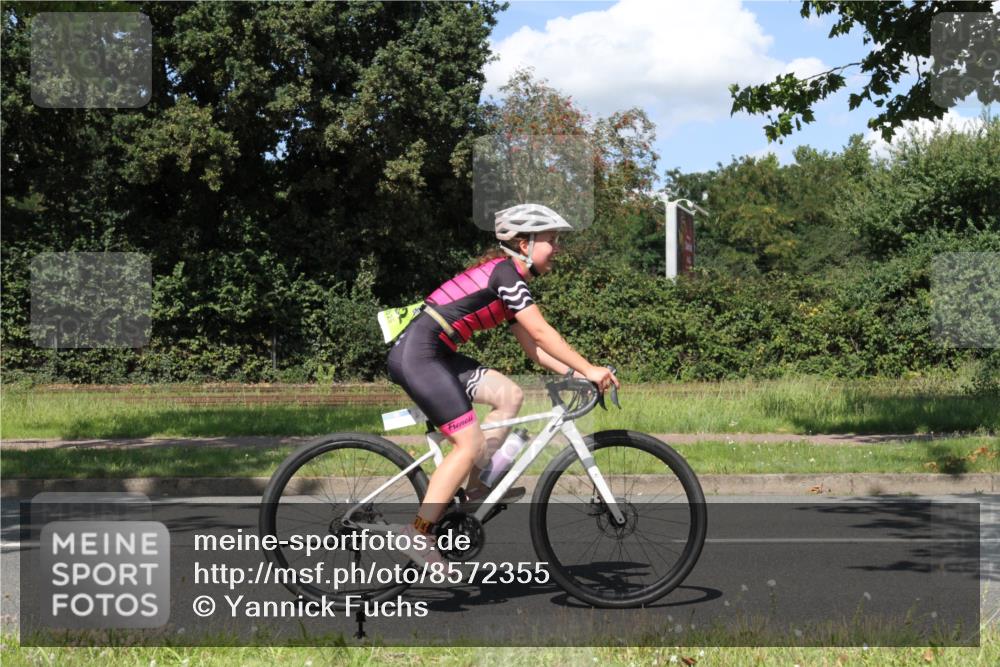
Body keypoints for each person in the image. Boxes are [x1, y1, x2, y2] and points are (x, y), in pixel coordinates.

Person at [385, 203, 620, 565]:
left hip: (438, 354)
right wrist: (589, 368)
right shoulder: (505, 275)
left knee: (510, 395)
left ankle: (476, 490)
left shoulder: (511, 282)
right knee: (468, 443)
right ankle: (417, 533)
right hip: (420, 355)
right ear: (524, 245)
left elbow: (534, 351)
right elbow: (542, 332)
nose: (557, 248)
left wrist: (575, 375)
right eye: (551, 240)